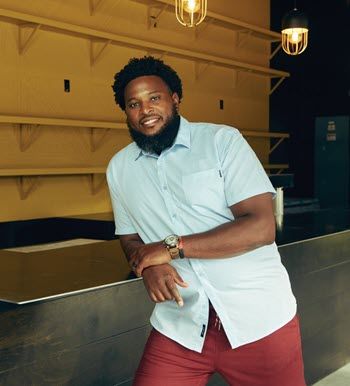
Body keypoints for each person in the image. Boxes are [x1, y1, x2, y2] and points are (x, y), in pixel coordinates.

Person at [107, 56, 305, 386]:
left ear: (175, 98)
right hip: (180, 325)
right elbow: (128, 237)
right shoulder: (119, 168)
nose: (146, 111)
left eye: (154, 98)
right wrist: (149, 266)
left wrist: (170, 249)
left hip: (259, 320)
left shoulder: (221, 142)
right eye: (133, 104)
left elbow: (260, 226)